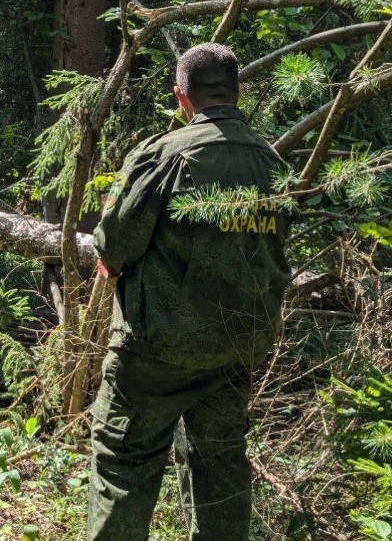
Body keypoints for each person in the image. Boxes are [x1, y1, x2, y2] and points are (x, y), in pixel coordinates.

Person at [88, 43, 291, 540]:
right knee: (221, 465)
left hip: (156, 348)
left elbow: (115, 243)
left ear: (182, 98)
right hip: (236, 347)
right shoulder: (272, 163)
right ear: (238, 92)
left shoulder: (163, 155)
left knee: (124, 463)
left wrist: (110, 257)